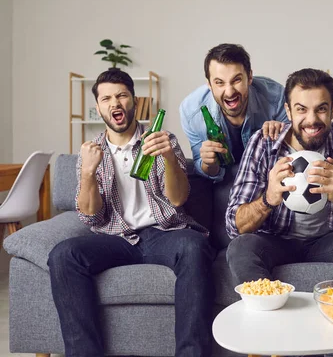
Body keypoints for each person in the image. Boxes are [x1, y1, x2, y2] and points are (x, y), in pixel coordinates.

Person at [47, 69, 214, 357]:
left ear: (134, 101)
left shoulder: (159, 140)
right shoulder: (91, 151)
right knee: (63, 255)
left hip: (163, 232)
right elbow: (90, 217)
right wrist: (88, 172)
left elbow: (178, 199)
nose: (115, 103)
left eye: (122, 95)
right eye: (107, 98)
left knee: (194, 246)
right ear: (99, 107)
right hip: (116, 237)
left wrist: (170, 159)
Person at [225, 68, 333, 284]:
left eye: (321, 109)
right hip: (276, 241)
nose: (311, 120)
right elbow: (235, 227)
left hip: (329, 241)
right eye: (301, 109)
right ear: (288, 111)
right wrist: (267, 199)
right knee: (241, 247)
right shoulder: (263, 143)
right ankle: (268, 311)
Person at [180, 43, 288, 182]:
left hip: (267, 173)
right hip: (224, 177)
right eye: (219, 82)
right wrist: (208, 164)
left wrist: (282, 133)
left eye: (236, 80)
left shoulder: (277, 97)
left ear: (249, 77)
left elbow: (293, 151)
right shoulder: (191, 111)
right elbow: (205, 170)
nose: (230, 92)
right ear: (209, 84)